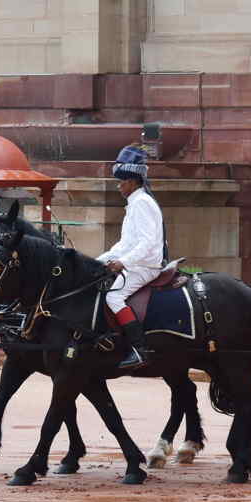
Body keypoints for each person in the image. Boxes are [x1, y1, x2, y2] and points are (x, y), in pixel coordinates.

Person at [96, 145, 164, 369]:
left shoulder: (142, 203)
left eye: (121, 182)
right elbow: (125, 244)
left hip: (146, 266)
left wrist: (122, 262)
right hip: (137, 262)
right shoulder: (135, 203)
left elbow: (147, 243)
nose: (118, 186)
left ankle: (139, 349)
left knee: (113, 298)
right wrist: (99, 260)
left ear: (133, 182)